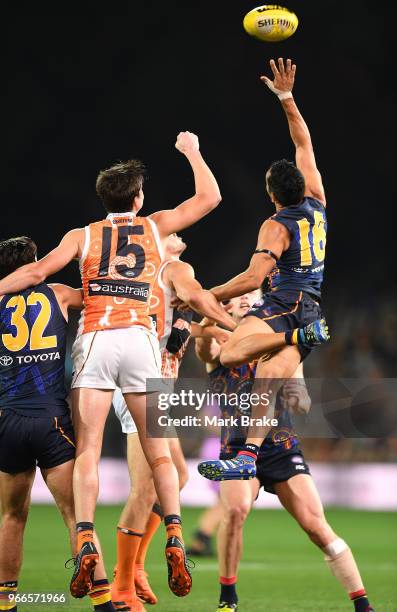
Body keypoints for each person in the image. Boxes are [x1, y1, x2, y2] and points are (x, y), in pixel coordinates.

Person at [0, 131, 225, 607]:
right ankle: (176, 532)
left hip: (97, 340)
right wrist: (192, 151)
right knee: (159, 453)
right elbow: (210, 197)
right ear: (139, 199)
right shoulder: (156, 227)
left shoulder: (81, 235)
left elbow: (38, 274)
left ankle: (84, 536)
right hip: (142, 343)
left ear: (102, 199)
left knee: (89, 450)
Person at [195, 292, 375, 612]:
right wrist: (209, 319)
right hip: (237, 449)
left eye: (253, 298)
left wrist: (297, 394)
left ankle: (362, 603)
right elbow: (202, 345)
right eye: (239, 300)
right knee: (235, 512)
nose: (247, 303)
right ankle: (228, 598)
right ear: (228, 309)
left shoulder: (283, 346)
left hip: (281, 449)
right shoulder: (221, 346)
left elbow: (302, 401)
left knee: (317, 527)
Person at [197, 58, 330, 482]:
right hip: (311, 308)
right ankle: (249, 457)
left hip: (283, 304)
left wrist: (205, 295)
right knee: (268, 379)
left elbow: (253, 280)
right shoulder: (318, 202)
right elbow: (304, 145)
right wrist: (287, 98)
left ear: (270, 193)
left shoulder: (276, 226)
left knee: (235, 352)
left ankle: (292, 338)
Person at [111, 233, 233, 610]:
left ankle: (136, 566)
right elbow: (198, 297)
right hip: (141, 387)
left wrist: (216, 329)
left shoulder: (155, 286)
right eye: (171, 230)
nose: (180, 232)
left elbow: (191, 324)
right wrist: (234, 324)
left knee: (176, 476)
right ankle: (122, 583)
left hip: (153, 389)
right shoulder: (169, 270)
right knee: (145, 489)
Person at [0, 237, 115, 612]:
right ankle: (103, 603)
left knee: (12, 516)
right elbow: (103, 300)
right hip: (51, 420)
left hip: (8, 421)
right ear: (36, 263)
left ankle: (6, 603)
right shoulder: (60, 294)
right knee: (76, 517)